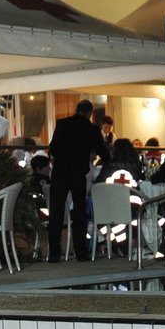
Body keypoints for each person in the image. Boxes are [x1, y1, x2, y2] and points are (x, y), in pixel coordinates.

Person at [47, 98, 104, 262]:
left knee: (56, 212)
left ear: (76, 109)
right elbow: (102, 151)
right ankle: (81, 252)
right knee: (79, 212)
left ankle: (54, 253)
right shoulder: (91, 129)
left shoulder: (62, 124)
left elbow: (53, 147)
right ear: (89, 113)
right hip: (78, 172)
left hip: (60, 171)